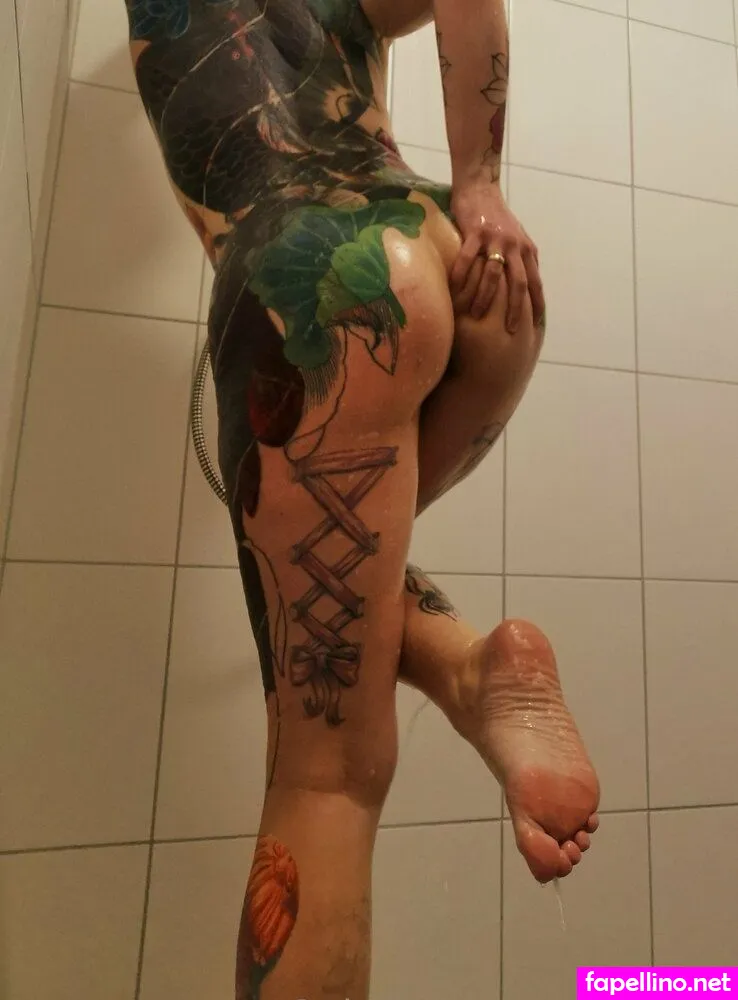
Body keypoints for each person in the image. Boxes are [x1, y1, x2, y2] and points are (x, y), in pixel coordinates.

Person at [125, 0, 600, 996]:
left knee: (325, 779)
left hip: (319, 273)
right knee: (330, 569)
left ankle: (468, 676)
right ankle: (467, 670)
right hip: (466, 265)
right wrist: (480, 185)